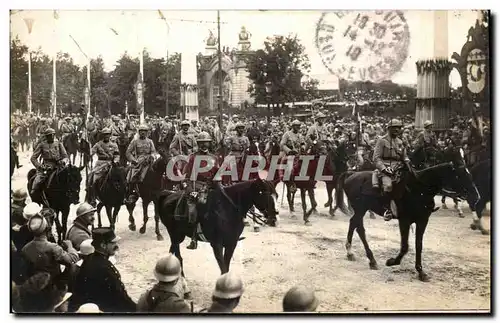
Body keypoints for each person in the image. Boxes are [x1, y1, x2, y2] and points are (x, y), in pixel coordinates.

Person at [70, 227, 136, 312]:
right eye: (113, 243)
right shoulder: (104, 267)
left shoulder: (90, 259)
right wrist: (136, 309)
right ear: (103, 245)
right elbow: (119, 296)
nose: (116, 246)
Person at [181, 132, 220, 250]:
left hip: (210, 187)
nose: (204, 145)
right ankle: (194, 238)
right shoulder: (193, 157)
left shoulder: (214, 158)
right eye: (202, 143)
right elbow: (186, 177)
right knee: (193, 211)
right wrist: (190, 190)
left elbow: (217, 175)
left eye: (206, 143)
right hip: (196, 187)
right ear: (198, 144)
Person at [372, 119, 410, 221]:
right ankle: (387, 209)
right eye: (394, 128)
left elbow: (404, 156)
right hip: (385, 168)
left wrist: (407, 161)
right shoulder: (382, 140)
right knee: (388, 186)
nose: (397, 130)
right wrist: (384, 169)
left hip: (399, 167)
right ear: (389, 129)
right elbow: (376, 158)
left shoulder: (400, 142)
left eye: (399, 128)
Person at [29, 128, 69, 196]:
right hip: (47, 166)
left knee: (69, 178)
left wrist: (63, 161)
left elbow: (65, 156)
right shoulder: (42, 145)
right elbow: (33, 158)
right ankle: (35, 195)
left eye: (53, 135)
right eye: (49, 135)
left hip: (59, 165)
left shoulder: (58, 143)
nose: (51, 137)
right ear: (46, 136)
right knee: (38, 180)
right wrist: (40, 166)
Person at [85, 128, 119, 205]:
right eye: (105, 134)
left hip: (111, 164)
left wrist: (116, 161)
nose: (106, 136)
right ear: (102, 135)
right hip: (100, 164)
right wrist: (87, 150)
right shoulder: (98, 145)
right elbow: (91, 153)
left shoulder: (114, 145)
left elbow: (117, 155)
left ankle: (121, 196)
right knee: (92, 178)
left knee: (120, 177)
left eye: (108, 134)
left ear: (110, 135)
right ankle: (92, 197)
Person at [125, 124, 157, 204]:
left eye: (145, 131)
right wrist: (133, 160)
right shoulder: (134, 141)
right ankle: (132, 193)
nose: (143, 133)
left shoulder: (150, 141)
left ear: (147, 133)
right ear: (139, 132)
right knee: (132, 176)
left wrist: (151, 157)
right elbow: (128, 152)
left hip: (148, 161)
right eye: (141, 131)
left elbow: (153, 152)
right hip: (138, 162)